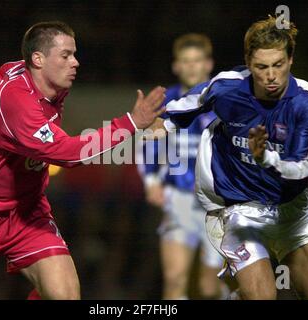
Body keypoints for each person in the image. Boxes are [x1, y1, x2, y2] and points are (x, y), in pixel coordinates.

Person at [0, 21, 166, 300]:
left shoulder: (46, 81)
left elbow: (6, 68)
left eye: (74, 54)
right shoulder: (16, 102)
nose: (75, 62)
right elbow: (67, 153)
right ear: (38, 60)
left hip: (27, 212)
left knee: (66, 296)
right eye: (66, 56)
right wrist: (131, 123)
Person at [157, 16, 308, 299]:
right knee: (263, 296)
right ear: (248, 62)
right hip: (238, 210)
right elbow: (173, 114)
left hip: (292, 208)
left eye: (278, 65)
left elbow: (303, 168)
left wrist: (264, 158)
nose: (271, 75)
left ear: (290, 60)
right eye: (261, 67)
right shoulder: (226, 88)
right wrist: (138, 128)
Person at [137, 34, 226, 299]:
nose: (191, 67)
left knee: (209, 289)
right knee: (175, 280)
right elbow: (148, 143)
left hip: (218, 204)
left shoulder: (224, 101)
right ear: (176, 66)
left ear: (208, 64)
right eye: (185, 61)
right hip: (180, 200)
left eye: (197, 61)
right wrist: (151, 181)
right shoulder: (165, 103)